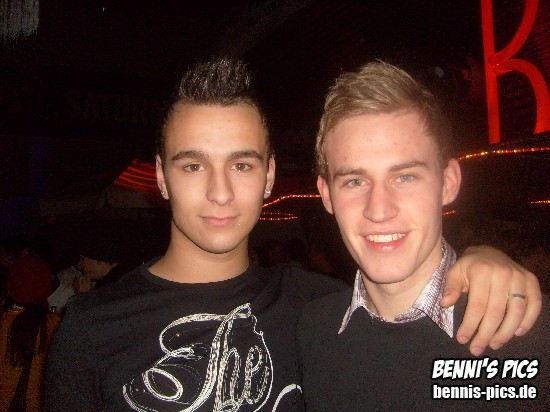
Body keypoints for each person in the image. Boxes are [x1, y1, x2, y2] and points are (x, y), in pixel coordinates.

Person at [45, 58, 541, 411]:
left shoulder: (312, 305)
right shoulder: (91, 327)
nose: (220, 192)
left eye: (242, 164)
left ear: (268, 177)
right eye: (193, 165)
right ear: (160, 177)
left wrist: (485, 256)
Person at [297, 61, 548, 410]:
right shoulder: (311, 331)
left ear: (448, 183)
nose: (379, 210)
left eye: (405, 177)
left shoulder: (533, 337)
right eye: (354, 181)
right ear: (326, 195)